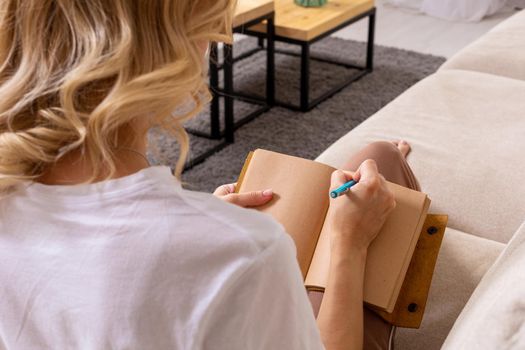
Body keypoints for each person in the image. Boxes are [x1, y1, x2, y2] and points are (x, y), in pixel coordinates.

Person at [0, 1, 420, 349]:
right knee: (380, 160)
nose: (220, 38)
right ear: (179, 46)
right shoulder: (238, 253)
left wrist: (188, 228)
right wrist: (349, 244)